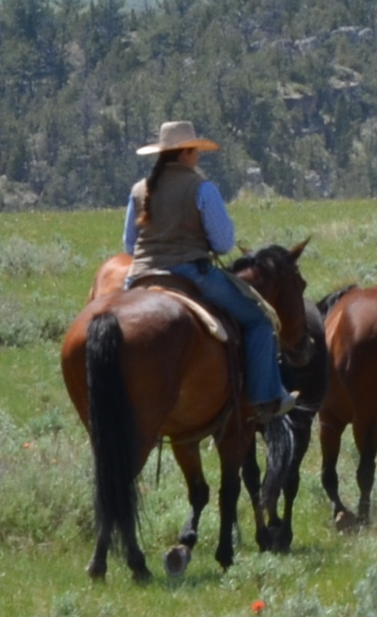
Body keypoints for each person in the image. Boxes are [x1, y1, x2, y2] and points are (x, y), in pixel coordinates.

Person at [120, 119, 292, 441]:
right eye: (196, 151)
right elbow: (224, 243)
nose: (198, 157)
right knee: (259, 319)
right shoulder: (201, 188)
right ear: (186, 153)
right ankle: (264, 397)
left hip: (140, 277)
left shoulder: (139, 189)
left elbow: (130, 245)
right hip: (190, 272)